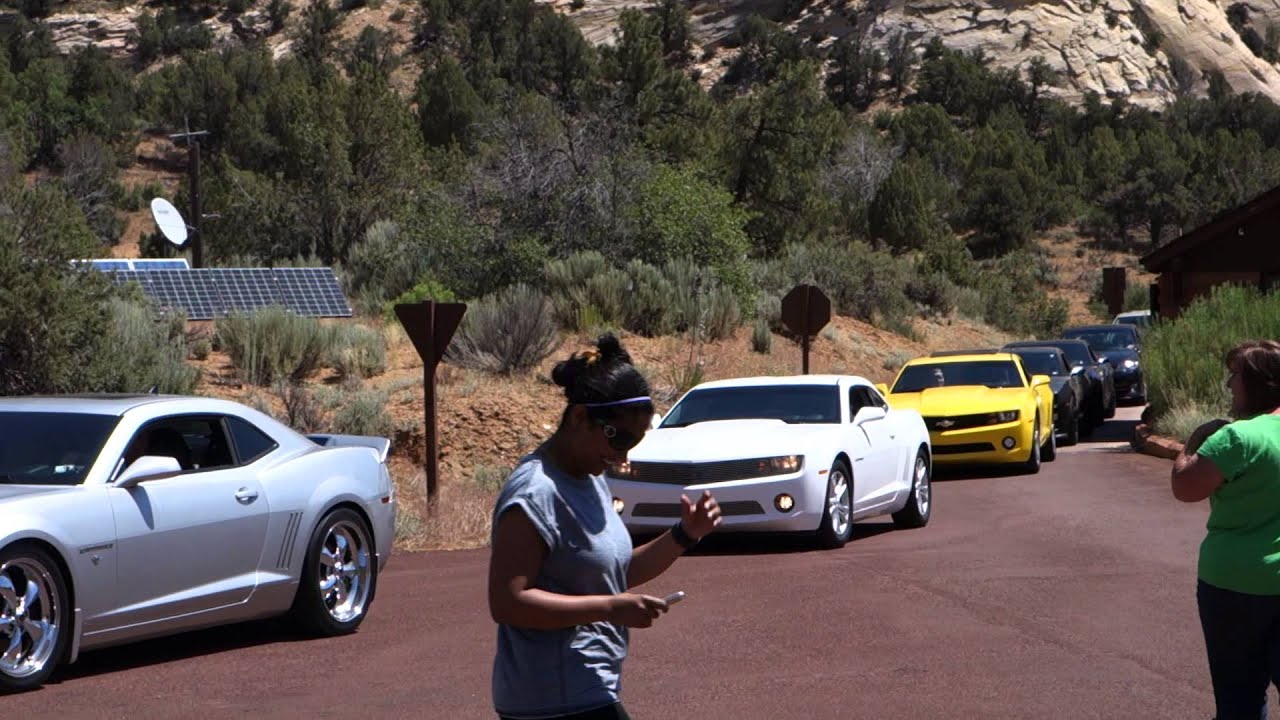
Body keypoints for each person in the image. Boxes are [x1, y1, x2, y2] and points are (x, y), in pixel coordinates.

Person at [487, 334, 722, 720]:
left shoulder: (591, 477)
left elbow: (613, 573)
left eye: (635, 442)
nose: (623, 455)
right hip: (551, 699)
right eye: (619, 438)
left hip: (589, 687)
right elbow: (508, 602)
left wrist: (684, 534)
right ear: (580, 417)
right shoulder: (534, 492)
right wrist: (610, 608)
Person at [1170, 340, 1280, 720]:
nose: (1228, 385)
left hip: (1234, 586)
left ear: (1258, 383)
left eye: (1234, 375)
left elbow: (1185, 487)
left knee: (1240, 699)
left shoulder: (1237, 438)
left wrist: (1192, 443)